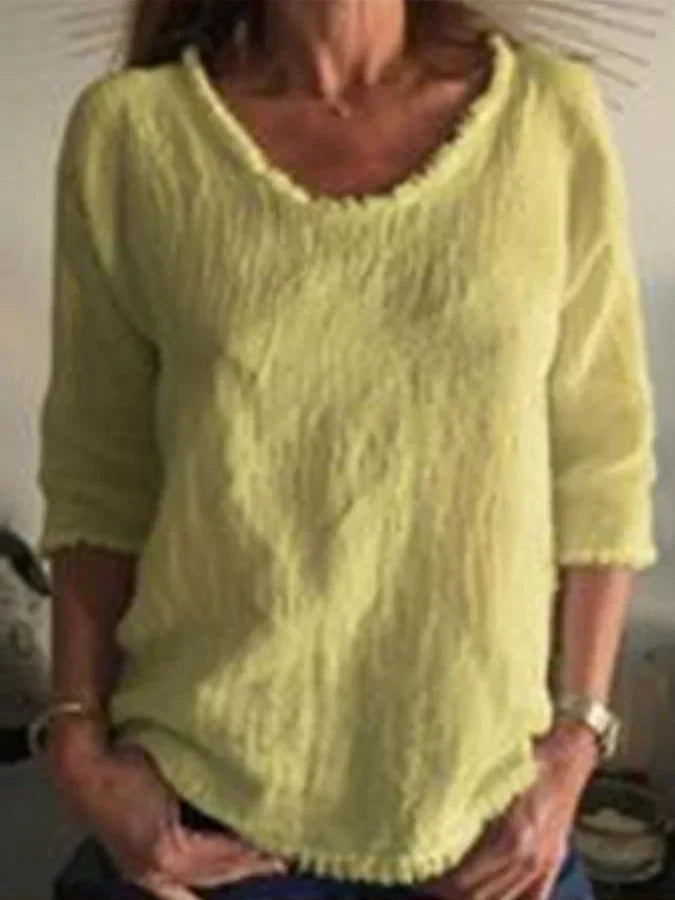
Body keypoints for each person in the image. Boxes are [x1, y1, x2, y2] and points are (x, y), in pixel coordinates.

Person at [34, 0, 659, 898]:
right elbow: (99, 473)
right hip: (206, 813)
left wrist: (575, 742)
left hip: (490, 816)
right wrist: (76, 742)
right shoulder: (132, 137)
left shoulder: (547, 116)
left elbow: (601, 456)